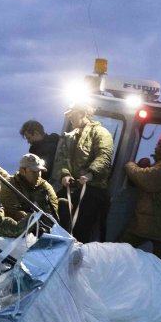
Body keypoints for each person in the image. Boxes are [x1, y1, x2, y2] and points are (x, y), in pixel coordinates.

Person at [122, 131, 161, 262]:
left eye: (159, 144)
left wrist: (130, 165)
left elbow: (144, 179)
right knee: (122, 249)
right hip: (154, 224)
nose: (156, 147)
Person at [53, 104, 113, 242]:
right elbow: (62, 158)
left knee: (81, 229)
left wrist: (90, 174)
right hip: (71, 187)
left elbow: (104, 156)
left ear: (81, 113)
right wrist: (64, 174)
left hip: (92, 188)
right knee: (55, 216)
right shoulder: (69, 136)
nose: (69, 118)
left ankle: (77, 253)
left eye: (72, 114)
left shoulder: (101, 133)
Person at [0, 153, 59, 222]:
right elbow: (12, 210)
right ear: (22, 171)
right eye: (34, 172)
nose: (38, 175)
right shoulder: (9, 184)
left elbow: (53, 209)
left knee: (64, 203)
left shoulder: (45, 186)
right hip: (20, 225)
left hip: (44, 223)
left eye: (39, 171)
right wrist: (33, 221)